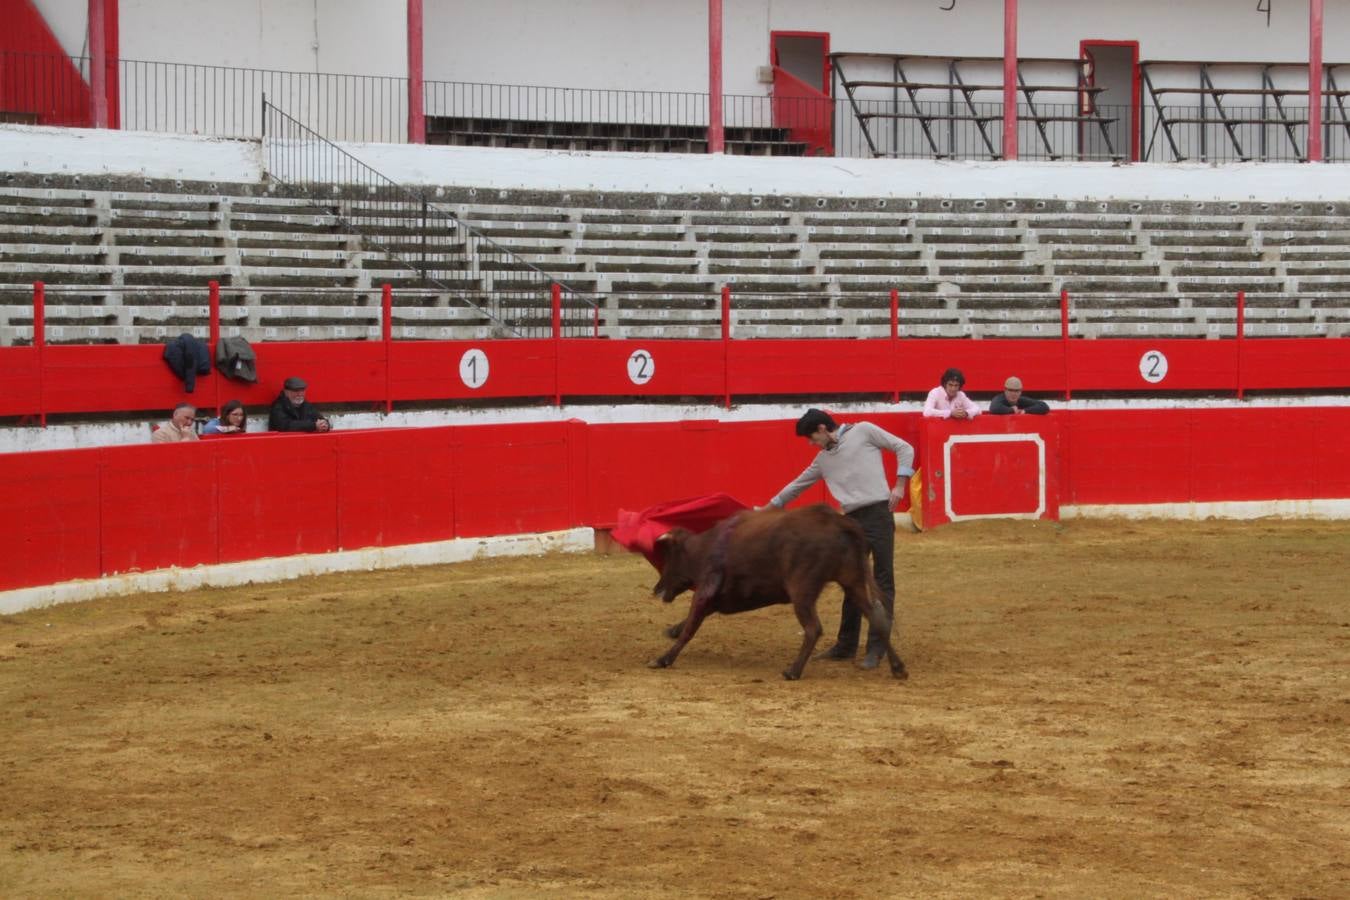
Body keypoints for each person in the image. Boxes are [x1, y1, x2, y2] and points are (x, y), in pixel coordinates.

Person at [767, 409, 915, 670]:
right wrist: (770, 508)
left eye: (812, 438)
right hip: (850, 522)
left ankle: (876, 649)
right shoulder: (823, 459)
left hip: (879, 516)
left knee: (881, 582)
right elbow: (797, 485)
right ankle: (846, 646)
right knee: (851, 581)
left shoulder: (864, 431)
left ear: (823, 428)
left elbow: (904, 447)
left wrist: (900, 484)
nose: (811, 444)